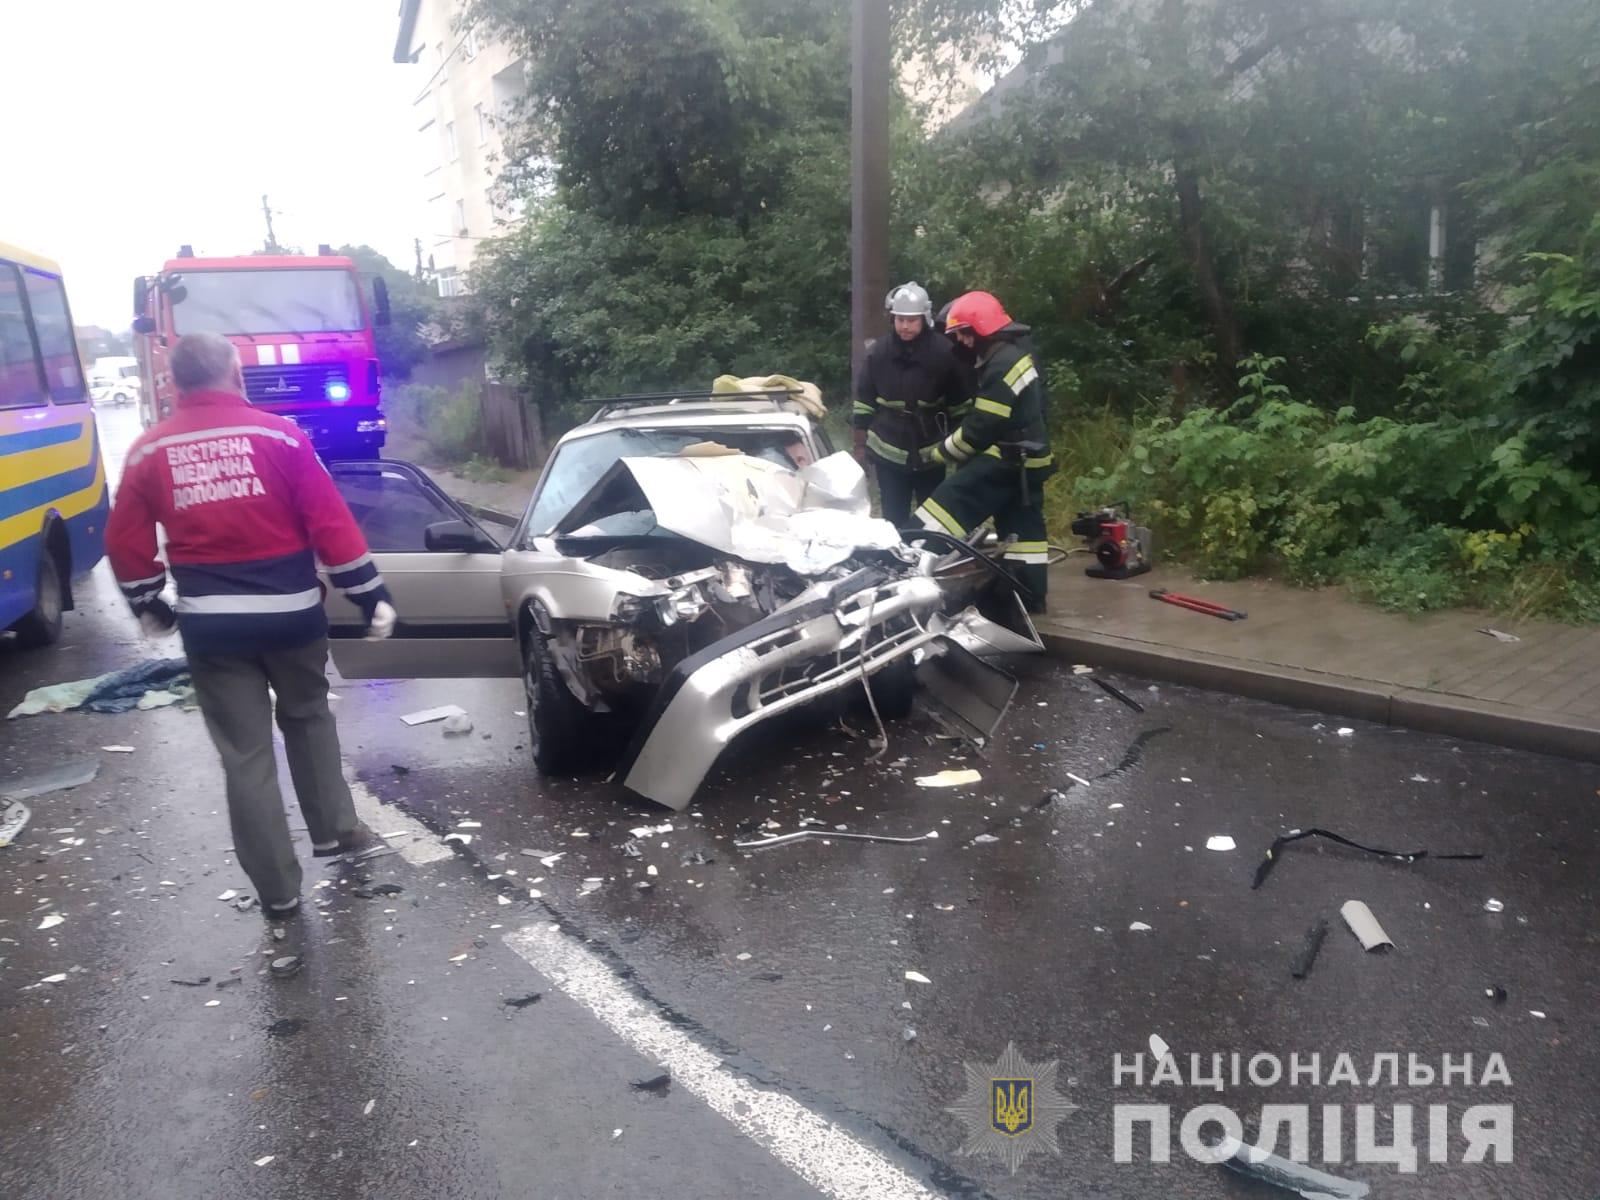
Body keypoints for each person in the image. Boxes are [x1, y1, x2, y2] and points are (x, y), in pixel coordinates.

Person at [106, 332, 398, 919]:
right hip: (292, 617)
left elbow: (125, 541)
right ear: (236, 375)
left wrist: (150, 604)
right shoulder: (281, 435)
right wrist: (370, 596)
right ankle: (338, 832)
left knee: (245, 754)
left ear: (174, 383)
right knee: (308, 717)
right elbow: (330, 523)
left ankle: (279, 893)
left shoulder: (147, 451)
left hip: (214, 629)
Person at [916, 290, 1055, 612]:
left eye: (963, 333)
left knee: (949, 502)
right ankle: (1030, 598)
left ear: (980, 327)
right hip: (1028, 457)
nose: (962, 341)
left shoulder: (1002, 363)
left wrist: (938, 454)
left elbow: (981, 427)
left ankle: (908, 561)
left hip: (1009, 458)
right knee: (1024, 530)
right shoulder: (1014, 354)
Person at [852, 282, 974, 528]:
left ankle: (928, 563)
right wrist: (860, 447)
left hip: (931, 451)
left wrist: (962, 450)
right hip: (888, 450)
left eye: (911, 320)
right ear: (893, 319)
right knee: (893, 521)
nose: (905, 326)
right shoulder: (879, 353)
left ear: (924, 318)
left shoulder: (944, 352)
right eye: (900, 320)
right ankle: (895, 564)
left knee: (931, 521)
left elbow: (960, 405)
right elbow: (864, 401)